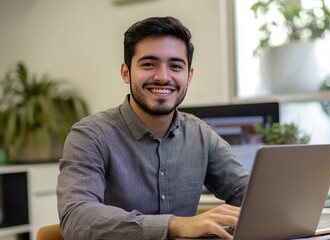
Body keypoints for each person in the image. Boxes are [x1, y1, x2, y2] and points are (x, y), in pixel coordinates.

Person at [56, 16, 249, 240]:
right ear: (126, 72)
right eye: (149, 64)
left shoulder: (200, 135)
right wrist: (175, 225)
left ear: (189, 76)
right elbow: (76, 217)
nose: (163, 77)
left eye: (175, 66)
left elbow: (247, 193)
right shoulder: (90, 136)